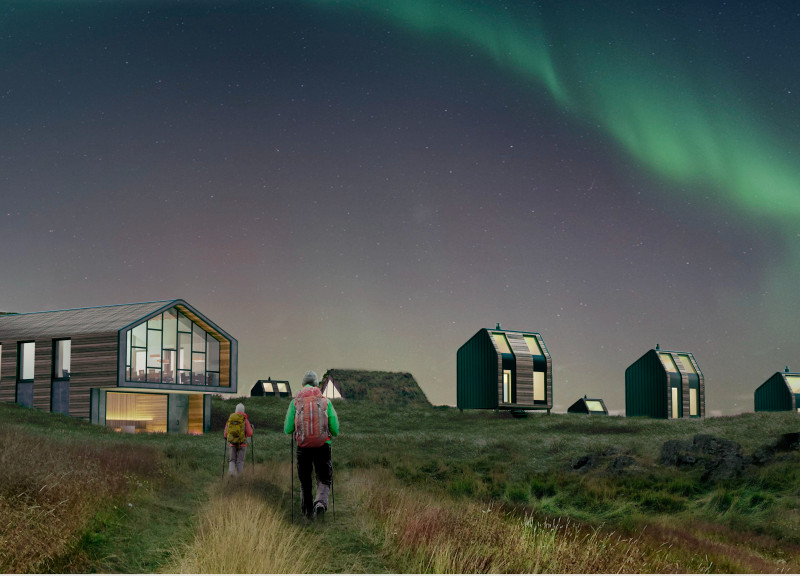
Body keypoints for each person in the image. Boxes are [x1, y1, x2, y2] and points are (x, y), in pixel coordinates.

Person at [284, 370, 339, 520]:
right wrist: (330, 434)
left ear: (303, 385)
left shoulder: (295, 402)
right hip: (322, 445)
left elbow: (288, 428)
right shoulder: (325, 401)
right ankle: (320, 504)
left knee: (305, 479)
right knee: (323, 477)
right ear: (317, 385)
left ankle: (307, 511)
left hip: (303, 447)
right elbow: (335, 429)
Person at [224, 402, 254, 477]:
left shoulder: (230, 419)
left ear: (236, 410)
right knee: (240, 461)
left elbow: (225, 433)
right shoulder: (245, 420)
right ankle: (239, 477)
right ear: (243, 410)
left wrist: (227, 437)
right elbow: (250, 433)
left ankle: (231, 472)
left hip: (232, 443)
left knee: (232, 460)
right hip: (242, 444)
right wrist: (252, 428)